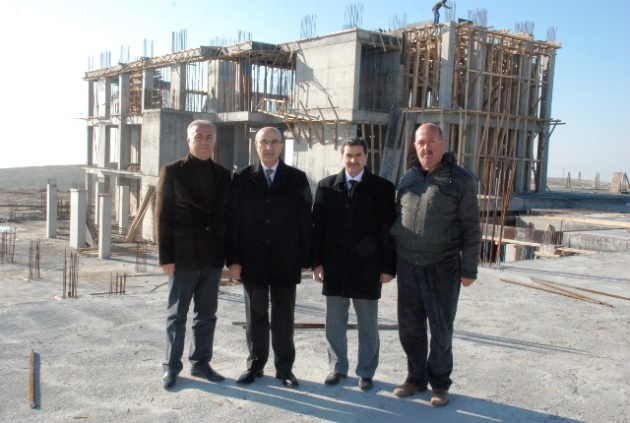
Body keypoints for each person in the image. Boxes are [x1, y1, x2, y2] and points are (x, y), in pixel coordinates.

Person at [389, 123, 480, 406]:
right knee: (409, 327)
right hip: (408, 264)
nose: (425, 147)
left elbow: (471, 226)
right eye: (420, 142)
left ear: (443, 143)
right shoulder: (408, 178)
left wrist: (469, 268)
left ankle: (440, 384)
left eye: (431, 141)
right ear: (414, 146)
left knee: (440, 328)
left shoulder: (460, 179)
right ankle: (415, 378)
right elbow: (397, 217)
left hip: (442, 265)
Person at [227, 127, 312, 388]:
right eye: (264, 142)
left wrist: (305, 260)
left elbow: (305, 220)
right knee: (256, 316)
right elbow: (232, 222)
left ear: (282, 146)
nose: (269, 147)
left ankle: (284, 369)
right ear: (256, 145)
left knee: (284, 316)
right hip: (252, 260)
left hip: (285, 260)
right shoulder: (242, 178)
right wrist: (233, 260)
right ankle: (255, 365)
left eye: (274, 142)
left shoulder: (296, 178)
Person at [312, 138, 397, 391]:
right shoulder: (326, 186)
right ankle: (337, 367)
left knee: (368, 324)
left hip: (368, 269)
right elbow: (317, 229)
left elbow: (389, 231)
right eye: (349, 155)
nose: (353, 160)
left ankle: (366, 371)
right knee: (334, 323)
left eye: (358, 155)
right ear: (342, 157)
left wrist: (388, 267)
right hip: (334, 267)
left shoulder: (382, 188)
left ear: (366, 157)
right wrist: (317, 263)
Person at [156, 119, 231, 389]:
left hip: (212, 258)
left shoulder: (223, 174)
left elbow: (227, 217)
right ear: (189, 140)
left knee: (206, 314)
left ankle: (200, 363)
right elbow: (162, 216)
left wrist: (229, 256)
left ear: (214, 141)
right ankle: (171, 367)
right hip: (183, 258)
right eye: (198, 136)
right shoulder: (172, 171)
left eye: (209, 137)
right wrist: (166, 258)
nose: (204, 141)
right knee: (177, 315)